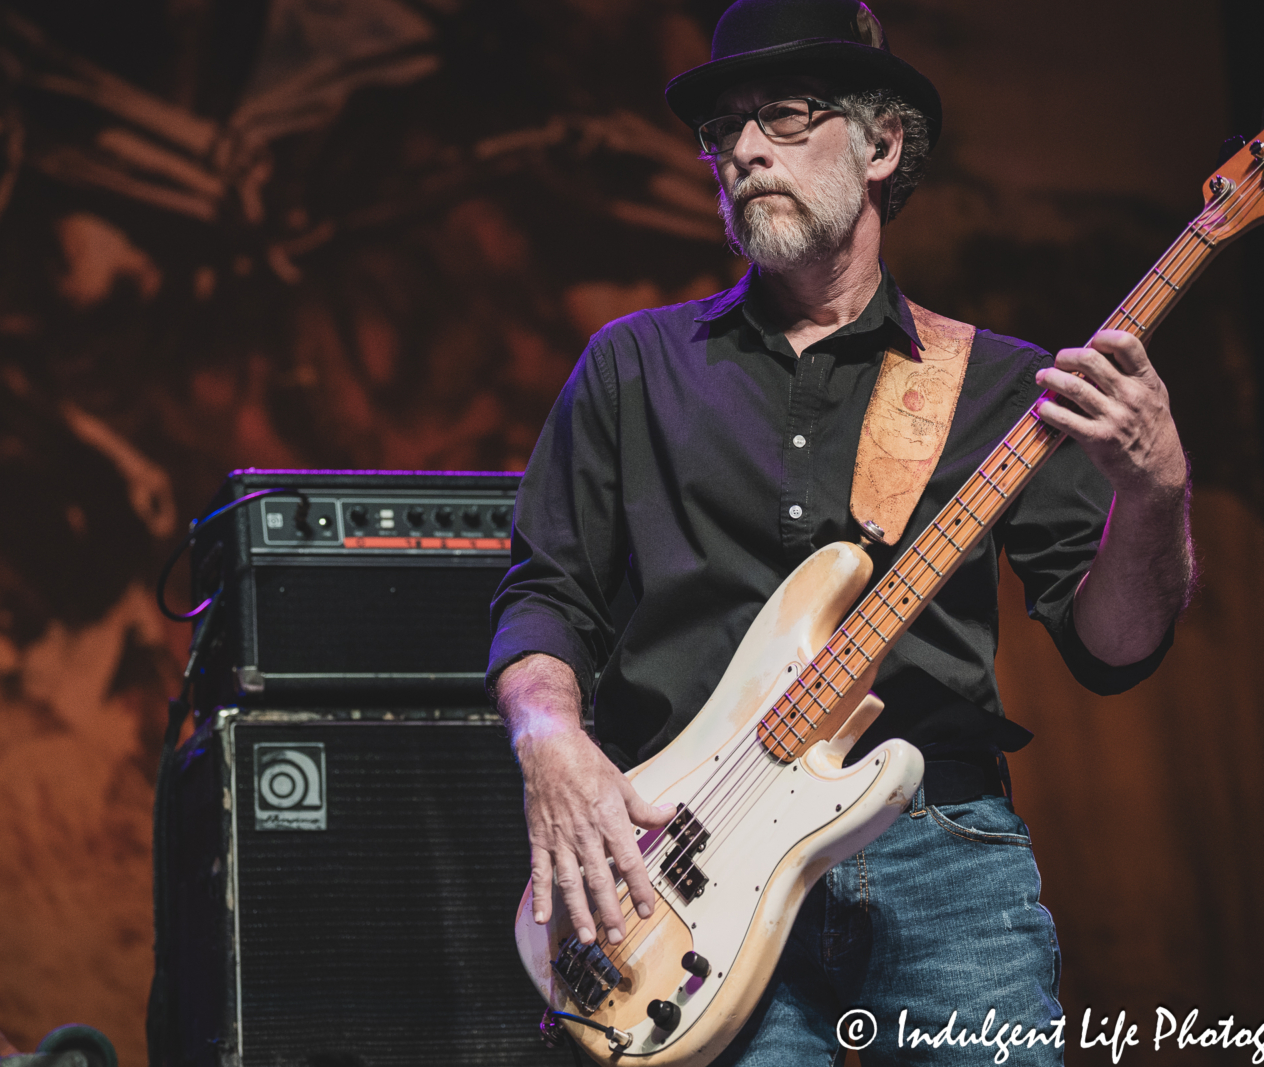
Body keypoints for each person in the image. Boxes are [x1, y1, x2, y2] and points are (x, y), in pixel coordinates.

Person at [487, 0, 1195, 1061]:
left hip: (941, 853)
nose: (742, 150)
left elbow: (1113, 648)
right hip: (689, 859)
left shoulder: (999, 383)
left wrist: (1155, 491)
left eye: (782, 115)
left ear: (882, 143)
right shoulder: (633, 367)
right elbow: (545, 591)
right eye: (723, 130)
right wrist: (548, 739)